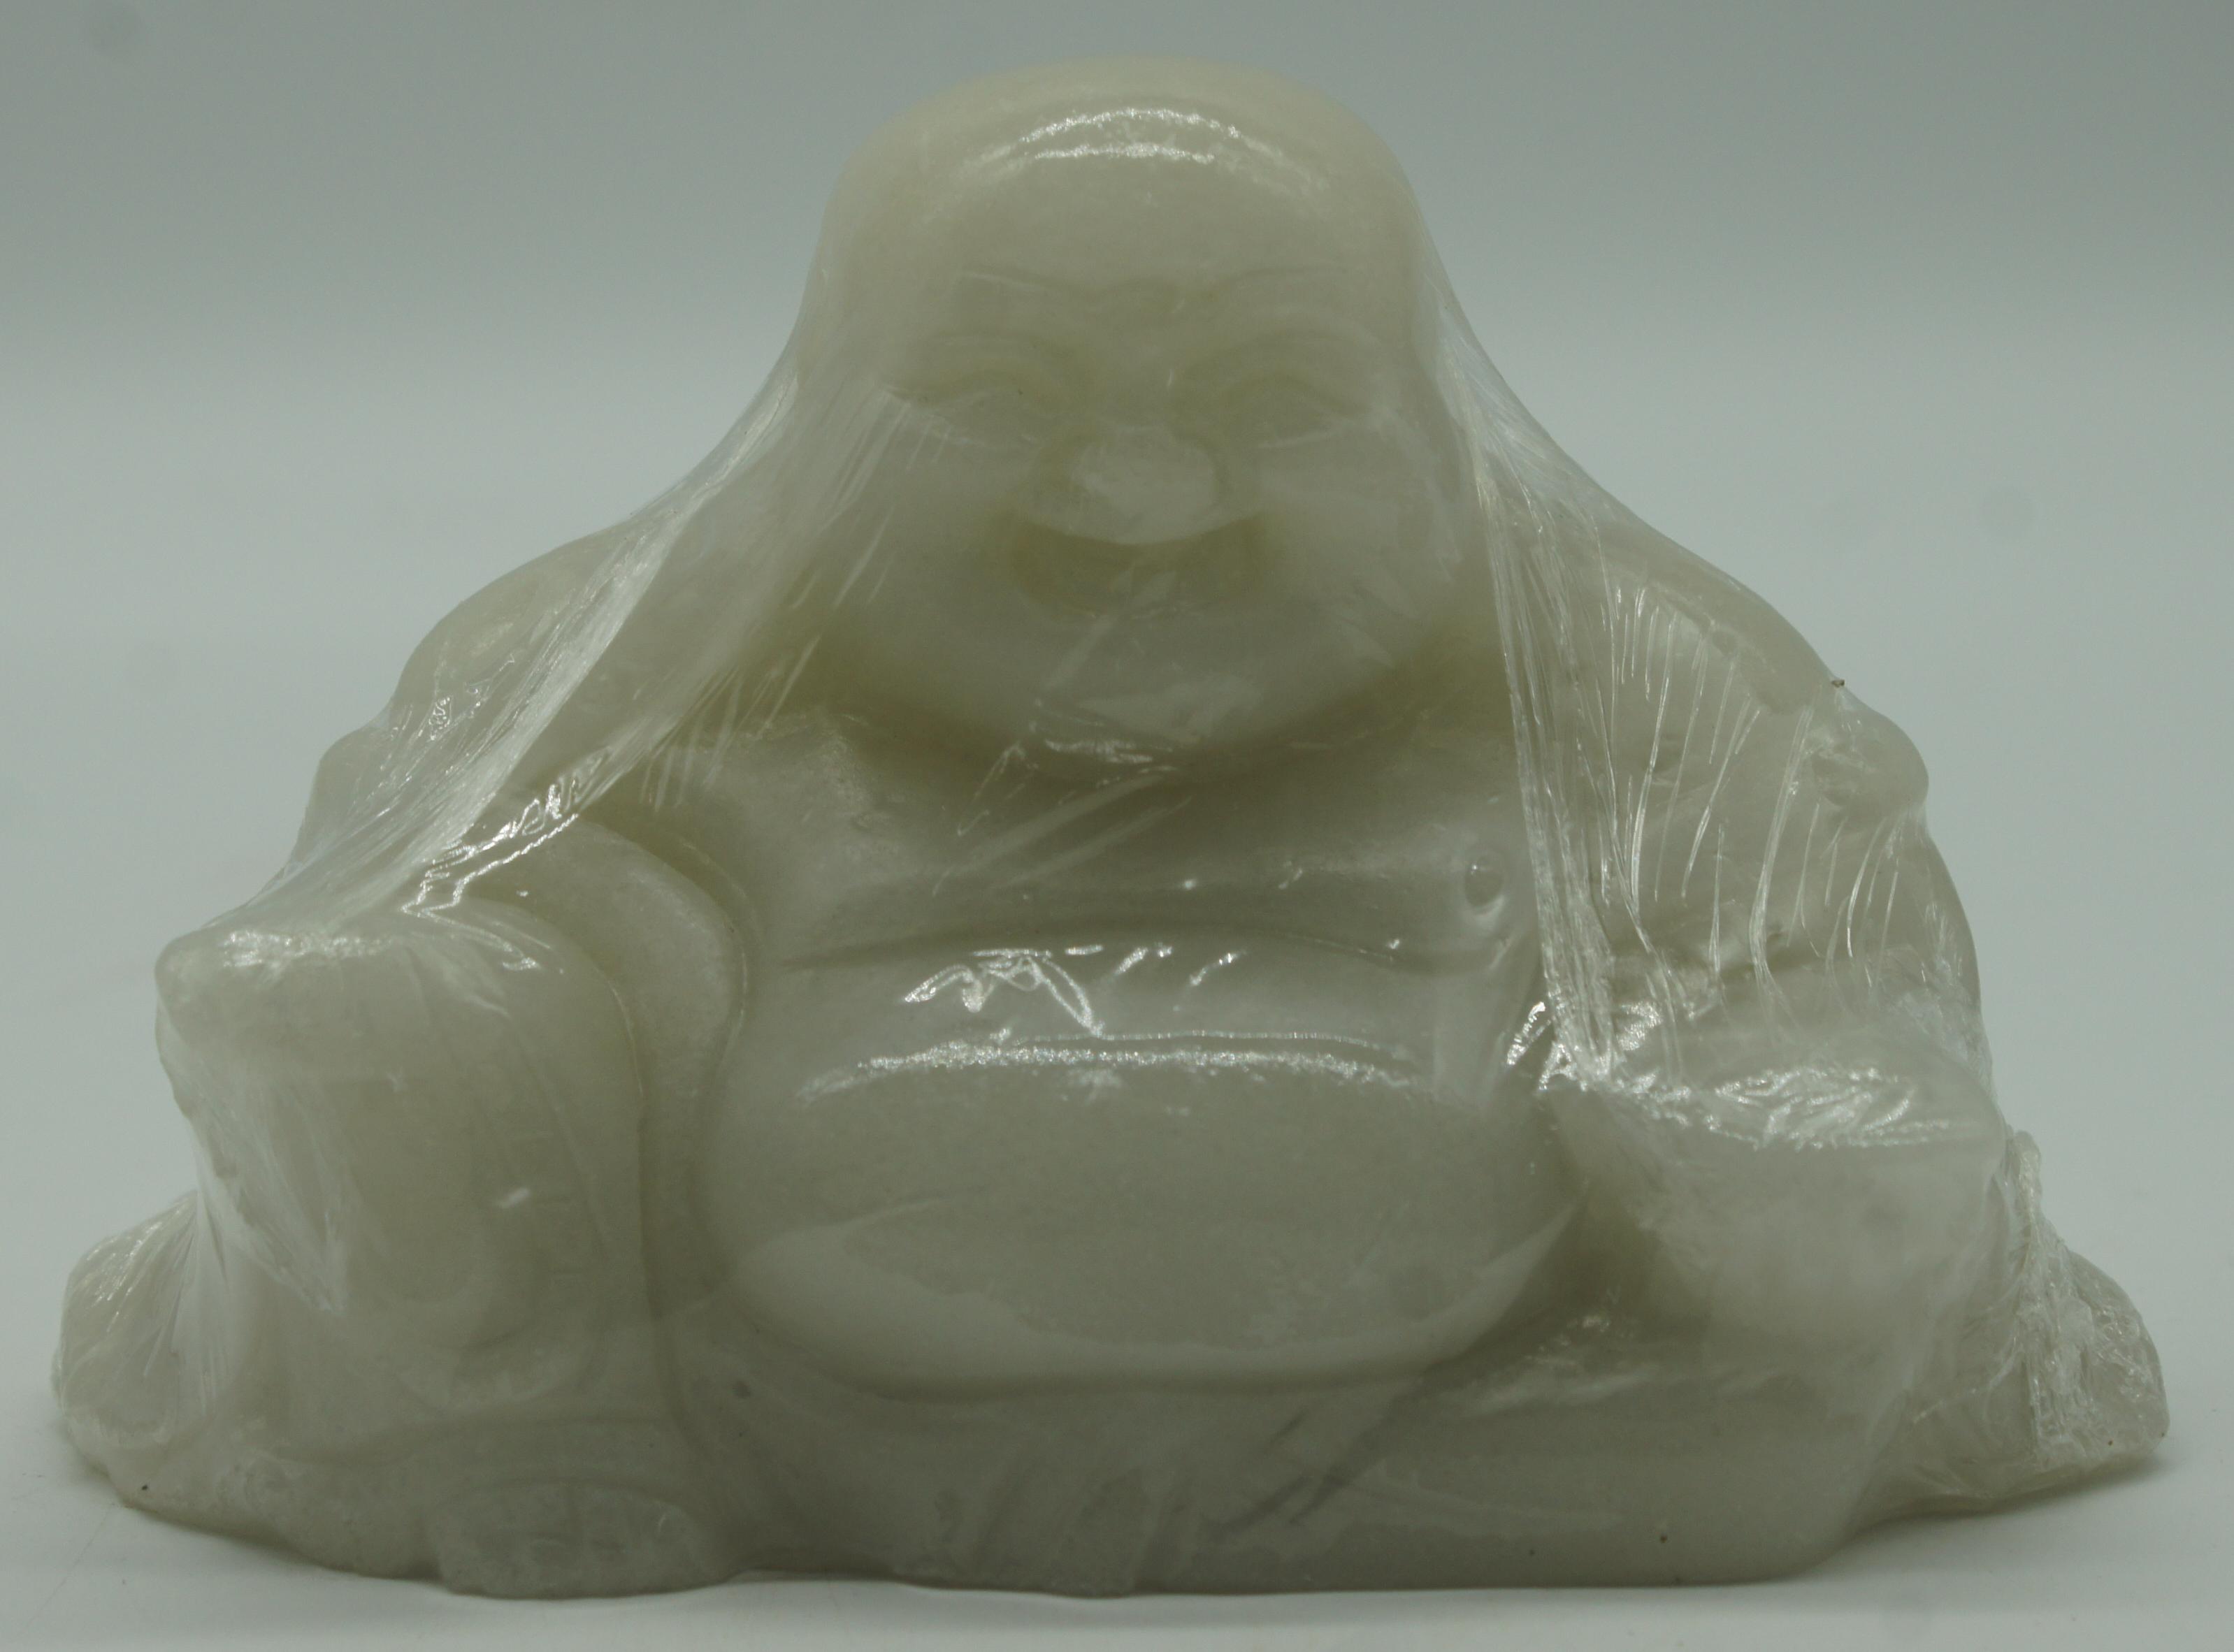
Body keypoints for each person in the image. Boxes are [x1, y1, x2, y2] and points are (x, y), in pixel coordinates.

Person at [58, 58, 2163, 1596]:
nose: (1143, 497)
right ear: (839, 418)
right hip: (706, 1404)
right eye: (999, 401)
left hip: (1541, 1415)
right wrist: (406, 1050)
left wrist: (1783, 1150)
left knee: (1776, 1404)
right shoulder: (618, 678)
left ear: (1422, 414)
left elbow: (1862, 1116)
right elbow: (373, 964)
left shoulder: (1636, 688)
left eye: (1275, 402)